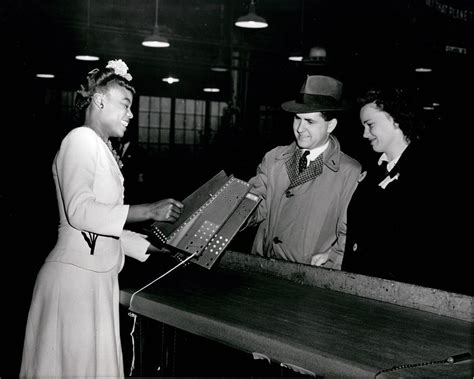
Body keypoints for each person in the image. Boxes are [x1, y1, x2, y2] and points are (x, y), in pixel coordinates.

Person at [20, 59, 184, 378]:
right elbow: (80, 213)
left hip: (96, 281)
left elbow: (107, 227)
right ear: (99, 100)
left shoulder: (102, 148)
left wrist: (156, 247)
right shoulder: (79, 140)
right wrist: (148, 211)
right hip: (74, 282)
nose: (131, 114)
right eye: (125, 104)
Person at [341, 86, 458, 291]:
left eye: (370, 125)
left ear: (395, 120)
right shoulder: (374, 170)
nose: (364, 134)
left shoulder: (430, 176)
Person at [245, 75, 361, 269]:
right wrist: (228, 210)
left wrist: (333, 258)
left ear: (330, 125)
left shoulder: (349, 172)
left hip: (309, 275)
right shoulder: (274, 158)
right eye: (297, 119)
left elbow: (349, 231)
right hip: (263, 267)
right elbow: (255, 206)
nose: (300, 128)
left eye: (310, 121)